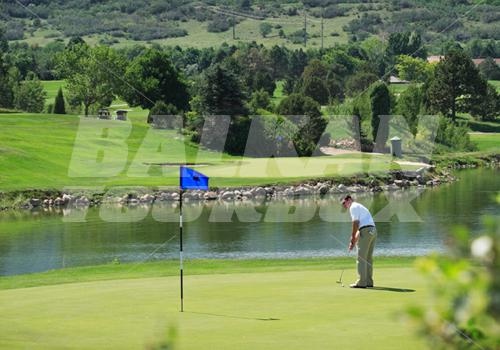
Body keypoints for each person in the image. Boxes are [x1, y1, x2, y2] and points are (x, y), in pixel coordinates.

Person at [342, 195, 377, 288]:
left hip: (366, 230)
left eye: (344, 203)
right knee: (368, 258)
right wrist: (353, 241)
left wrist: (352, 237)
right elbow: (361, 228)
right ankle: (369, 282)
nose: (344, 205)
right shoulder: (359, 206)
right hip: (372, 231)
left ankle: (361, 282)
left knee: (361, 258)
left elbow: (356, 223)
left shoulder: (353, 206)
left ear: (349, 200)